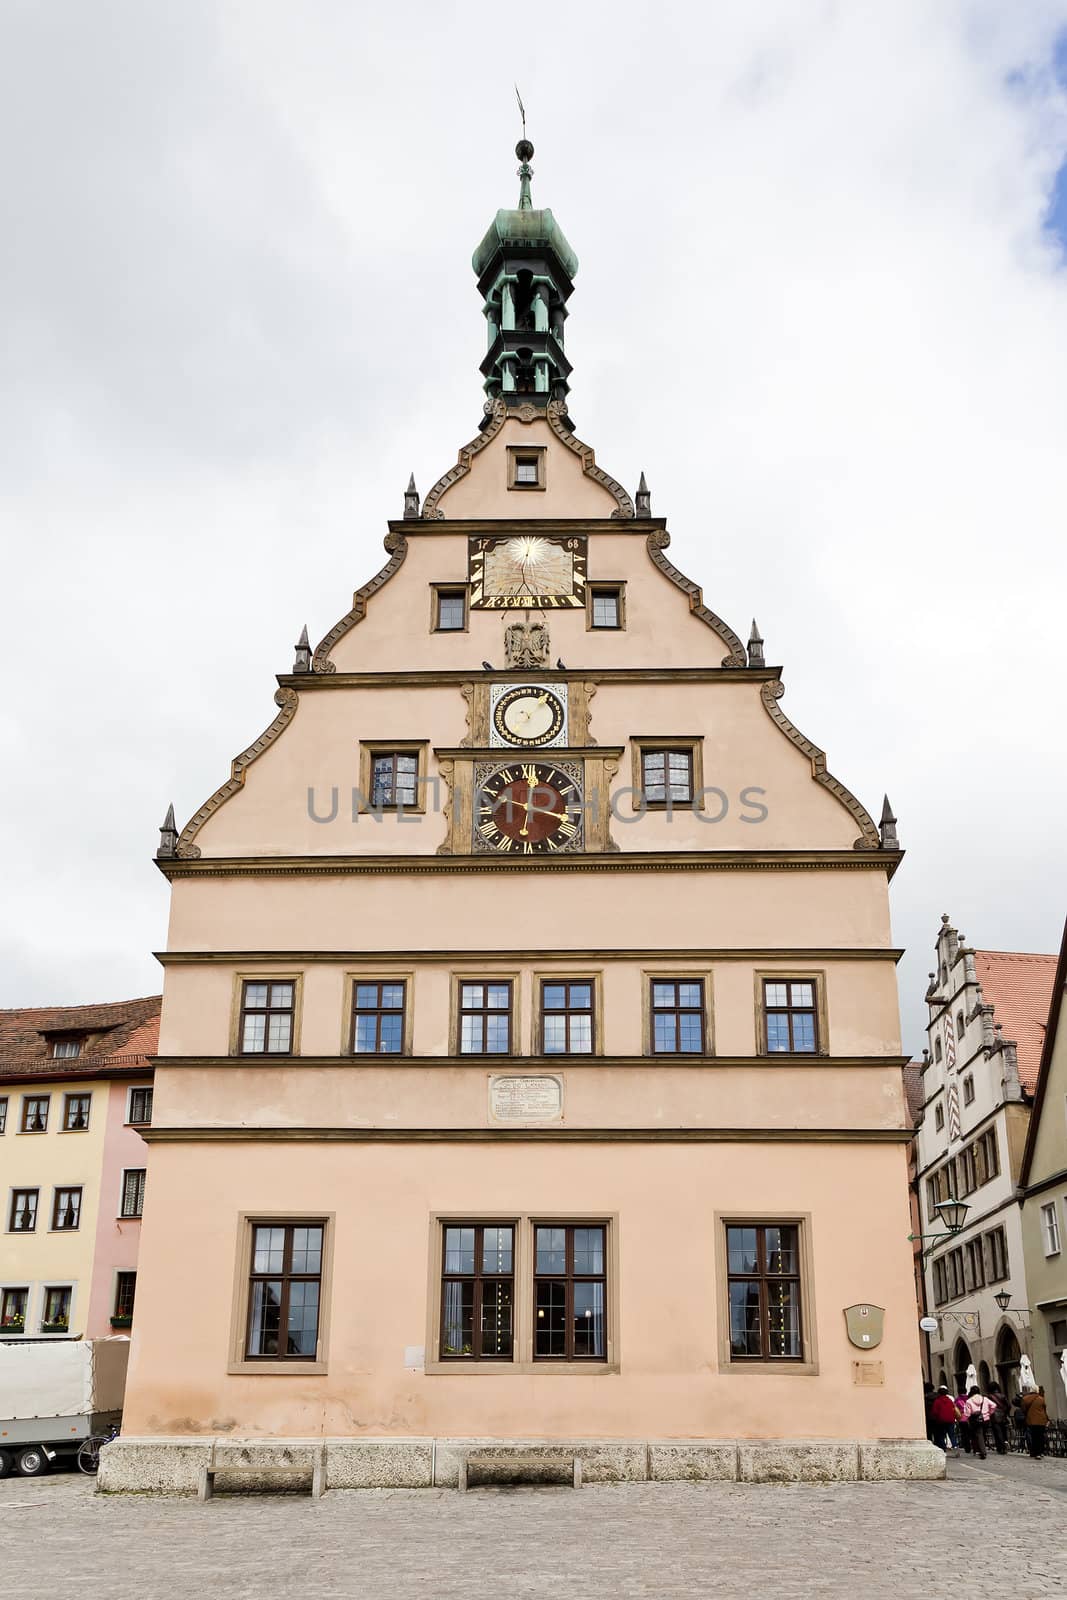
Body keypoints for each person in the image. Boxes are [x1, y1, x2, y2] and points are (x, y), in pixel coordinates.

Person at [964, 1386, 994, 1459]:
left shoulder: (969, 1401)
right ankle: (981, 1448)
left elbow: (967, 1413)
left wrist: (969, 1418)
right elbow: (993, 1405)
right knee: (982, 1434)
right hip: (986, 1419)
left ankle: (983, 1452)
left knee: (979, 1434)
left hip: (975, 1420)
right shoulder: (985, 1399)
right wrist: (989, 1413)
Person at [1020, 1387, 1049, 1459]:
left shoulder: (1025, 1398)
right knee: (1041, 1436)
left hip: (1031, 1420)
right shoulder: (1041, 1399)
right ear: (1037, 1390)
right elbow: (1044, 1409)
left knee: (1034, 1436)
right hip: (1041, 1420)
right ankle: (1041, 1452)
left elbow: (1023, 1409)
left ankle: (1035, 1452)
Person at [930, 1385, 959, 1452]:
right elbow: (953, 1409)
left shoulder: (937, 1401)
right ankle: (955, 1446)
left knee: (941, 1435)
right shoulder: (949, 1400)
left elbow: (934, 1411)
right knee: (952, 1434)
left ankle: (943, 1448)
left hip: (941, 1420)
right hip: (951, 1420)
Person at [986, 1383, 1009, 1455]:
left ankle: (1000, 1447)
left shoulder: (989, 1397)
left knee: (997, 1433)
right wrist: (1005, 1412)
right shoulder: (1002, 1395)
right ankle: (1003, 1446)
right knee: (1003, 1431)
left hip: (994, 1417)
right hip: (1003, 1416)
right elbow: (1008, 1405)